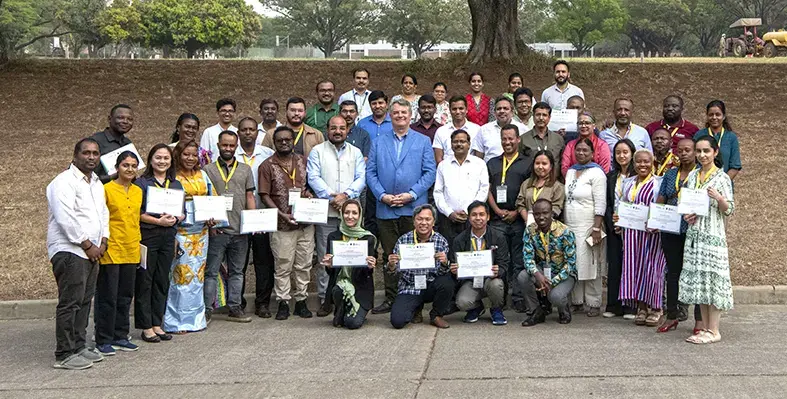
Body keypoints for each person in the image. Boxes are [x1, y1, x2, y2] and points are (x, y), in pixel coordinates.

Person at [366, 99, 437, 314]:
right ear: (390, 115)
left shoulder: (423, 141)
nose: (399, 116)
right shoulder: (378, 142)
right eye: (395, 113)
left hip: (413, 209)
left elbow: (429, 172)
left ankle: (415, 299)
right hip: (386, 208)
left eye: (403, 112)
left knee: (415, 255)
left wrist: (411, 194)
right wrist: (382, 195)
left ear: (410, 115)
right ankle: (391, 297)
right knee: (390, 255)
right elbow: (371, 172)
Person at [46, 138, 109, 370]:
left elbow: (103, 213)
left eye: (95, 153)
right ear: (75, 155)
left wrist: (103, 241)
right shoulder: (62, 182)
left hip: (92, 251)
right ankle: (64, 353)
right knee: (70, 303)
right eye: (86, 153)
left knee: (84, 301)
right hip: (70, 250)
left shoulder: (96, 183)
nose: (91, 157)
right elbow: (65, 217)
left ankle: (79, 346)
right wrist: (86, 244)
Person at [308, 115, 366, 316]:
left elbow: (361, 178)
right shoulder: (317, 152)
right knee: (327, 256)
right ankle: (326, 299)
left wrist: (346, 196)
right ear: (327, 129)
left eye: (342, 128)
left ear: (347, 130)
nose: (338, 131)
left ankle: (352, 294)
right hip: (327, 212)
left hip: (351, 214)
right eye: (334, 128)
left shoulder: (356, 152)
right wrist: (331, 196)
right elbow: (313, 177)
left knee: (353, 254)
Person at [680, 136, 735, 344]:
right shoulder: (693, 176)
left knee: (713, 279)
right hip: (695, 235)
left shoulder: (722, 179)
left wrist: (719, 198)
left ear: (715, 152)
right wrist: (688, 214)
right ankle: (703, 327)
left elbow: (729, 209)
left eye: (706, 151)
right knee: (700, 282)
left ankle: (714, 330)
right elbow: (689, 205)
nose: (702, 155)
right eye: (699, 151)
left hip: (713, 236)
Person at [259, 126, 316, 320]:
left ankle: (301, 300)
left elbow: (310, 186)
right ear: (274, 143)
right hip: (281, 225)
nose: (284, 142)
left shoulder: (303, 161)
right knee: (283, 265)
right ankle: (283, 302)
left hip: (305, 224)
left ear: (293, 141)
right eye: (280, 140)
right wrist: (281, 214)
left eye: (287, 139)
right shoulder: (267, 165)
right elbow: (264, 195)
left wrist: (309, 194)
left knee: (304, 264)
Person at [162, 140, 217, 332]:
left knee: (197, 277)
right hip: (180, 232)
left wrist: (213, 218)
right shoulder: (172, 177)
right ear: (178, 155)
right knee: (179, 277)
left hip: (201, 234)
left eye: (194, 155)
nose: (190, 158)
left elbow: (212, 198)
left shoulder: (203, 175)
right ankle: (176, 321)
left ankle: (195, 319)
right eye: (186, 154)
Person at [203, 131, 257, 324]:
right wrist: (208, 225)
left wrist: (252, 222)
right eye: (224, 145)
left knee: (237, 271)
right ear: (218, 145)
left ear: (237, 146)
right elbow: (205, 198)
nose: (228, 148)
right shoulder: (207, 170)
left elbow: (250, 196)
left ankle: (235, 307)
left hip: (239, 230)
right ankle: (207, 309)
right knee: (211, 271)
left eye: (231, 146)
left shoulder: (245, 170)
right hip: (217, 229)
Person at [94, 151, 142, 356]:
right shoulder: (106, 189)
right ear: (117, 168)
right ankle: (103, 338)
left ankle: (121, 336)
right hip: (112, 249)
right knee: (108, 296)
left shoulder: (138, 191)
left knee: (125, 295)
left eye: (133, 166)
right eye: (125, 165)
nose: (129, 169)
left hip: (131, 247)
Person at [135, 144, 184, 342]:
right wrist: (158, 221)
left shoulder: (176, 184)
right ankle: (146, 326)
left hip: (168, 237)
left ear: (171, 161)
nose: (162, 161)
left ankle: (157, 323)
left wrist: (178, 218)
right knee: (145, 280)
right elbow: (137, 213)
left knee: (162, 280)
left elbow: (183, 212)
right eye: (158, 157)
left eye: (166, 158)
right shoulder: (142, 183)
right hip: (149, 236)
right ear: (150, 160)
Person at [655, 138, 701, 333]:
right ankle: (671, 315)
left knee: (696, 273)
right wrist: (654, 219)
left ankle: (700, 321)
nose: (683, 153)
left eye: (688, 150)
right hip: (671, 229)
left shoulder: (702, 175)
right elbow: (661, 199)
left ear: (695, 152)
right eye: (680, 150)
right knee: (673, 273)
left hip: (694, 230)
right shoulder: (671, 174)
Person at [615, 150, 666, 326]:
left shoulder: (658, 182)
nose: (642, 165)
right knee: (635, 268)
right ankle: (641, 307)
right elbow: (622, 204)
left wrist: (656, 221)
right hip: (631, 234)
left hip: (652, 234)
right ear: (633, 164)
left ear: (652, 163)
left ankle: (656, 308)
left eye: (646, 162)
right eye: (638, 162)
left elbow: (663, 207)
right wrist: (618, 217)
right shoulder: (628, 182)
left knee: (653, 269)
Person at [487, 125, 533, 311]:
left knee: (519, 259)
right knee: (500, 259)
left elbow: (530, 189)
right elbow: (487, 189)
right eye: (504, 139)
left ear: (518, 139)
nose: (507, 142)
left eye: (510, 139)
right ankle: (501, 298)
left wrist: (516, 211)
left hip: (519, 218)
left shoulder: (528, 162)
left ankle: (519, 297)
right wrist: (497, 210)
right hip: (497, 219)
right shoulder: (492, 163)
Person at [388, 205, 454, 329]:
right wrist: (391, 265)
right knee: (397, 321)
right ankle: (415, 308)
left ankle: (436, 315)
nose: (423, 223)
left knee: (447, 283)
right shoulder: (403, 241)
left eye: (428, 219)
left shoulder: (441, 241)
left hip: (430, 285)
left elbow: (443, 272)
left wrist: (445, 263)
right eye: (419, 219)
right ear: (414, 221)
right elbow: (394, 272)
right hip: (410, 286)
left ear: (433, 222)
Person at [234, 117, 275, 316]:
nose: (248, 132)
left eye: (251, 129)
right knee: (238, 263)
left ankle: (263, 302)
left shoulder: (267, 154)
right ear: (238, 133)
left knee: (264, 262)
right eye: (244, 129)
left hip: (262, 216)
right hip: (238, 217)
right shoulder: (230, 154)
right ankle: (237, 302)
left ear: (257, 133)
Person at [563, 137, 607, 317]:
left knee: (591, 262)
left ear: (592, 153)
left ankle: (594, 302)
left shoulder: (597, 173)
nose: (581, 153)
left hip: (589, 223)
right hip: (570, 223)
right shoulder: (571, 172)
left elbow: (601, 202)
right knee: (574, 261)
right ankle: (577, 301)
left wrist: (596, 227)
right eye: (578, 150)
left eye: (585, 150)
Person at [519, 199, 577, 326]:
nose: (541, 217)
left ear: (552, 213)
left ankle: (563, 309)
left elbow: (570, 264)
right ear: (533, 215)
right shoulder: (530, 230)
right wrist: (537, 275)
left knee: (555, 296)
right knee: (523, 276)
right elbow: (527, 258)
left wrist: (552, 282)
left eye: (545, 213)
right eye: (537, 214)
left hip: (564, 274)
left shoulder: (566, 232)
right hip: (542, 271)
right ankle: (537, 311)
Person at [449, 201, 509, 325]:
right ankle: (476, 307)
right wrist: (455, 270)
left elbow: (504, 263)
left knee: (497, 284)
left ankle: (496, 309)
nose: (478, 218)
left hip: (490, 280)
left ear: (488, 217)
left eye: (482, 214)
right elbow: (454, 263)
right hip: (471, 281)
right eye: (474, 215)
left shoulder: (498, 237)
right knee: (462, 302)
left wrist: (500, 270)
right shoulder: (459, 239)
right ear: (469, 218)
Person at [321, 199, 377, 329]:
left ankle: (352, 310)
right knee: (338, 289)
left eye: (354, 213)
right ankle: (341, 309)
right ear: (341, 214)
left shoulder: (367, 238)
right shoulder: (333, 237)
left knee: (352, 324)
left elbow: (368, 273)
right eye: (346, 212)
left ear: (360, 215)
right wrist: (329, 265)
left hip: (361, 288)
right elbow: (331, 272)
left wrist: (369, 267)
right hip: (340, 285)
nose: (350, 216)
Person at [434, 130, 489, 245]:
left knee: (471, 250)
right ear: (451, 144)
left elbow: (484, 189)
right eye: (456, 141)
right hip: (448, 218)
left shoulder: (479, 164)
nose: (459, 144)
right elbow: (438, 192)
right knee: (450, 251)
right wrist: (449, 212)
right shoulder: (443, 165)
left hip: (472, 218)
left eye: (463, 141)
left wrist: (470, 211)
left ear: (469, 144)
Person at [602, 139, 636, 319]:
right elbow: (608, 203)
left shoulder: (639, 176)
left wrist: (627, 222)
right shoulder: (611, 176)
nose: (622, 156)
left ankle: (630, 305)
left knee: (630, 265)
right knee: (615, 264)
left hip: (633, 227)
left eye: (625, 152)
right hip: (614, 227)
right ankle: (613, 305)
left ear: (632, 153)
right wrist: (612, 223)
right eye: (618, 153)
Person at [693, 100, 741, 181]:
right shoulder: (699, 135)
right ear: (707, 116)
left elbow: (735, 166)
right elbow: (694, 161)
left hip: (723, 185)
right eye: (711, 115)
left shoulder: (731, 137)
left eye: (718, 114)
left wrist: (721, 182)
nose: (714, 117)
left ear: (724, 116)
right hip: (701, 183)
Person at [471, 97, 527, 162]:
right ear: (494, 112)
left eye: (505, 108)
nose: (502, 111)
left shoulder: (523, 129)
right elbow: (478, 158)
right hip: (491, 170)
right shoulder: (484, 130)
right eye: (499, 109)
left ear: (512, 112)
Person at [516, 150, 564, 226]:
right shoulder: (526, 183)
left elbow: (556, 208)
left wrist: (540, 222)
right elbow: (520, 204)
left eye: (544, 164)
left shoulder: (558, 186)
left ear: (551, 166)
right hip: (528, 225)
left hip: (549, 227)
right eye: (537, 163)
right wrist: (529, 222)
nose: (540, 167)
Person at [90, 104, 134, 183]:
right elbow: (82, 175)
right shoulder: (94, 142)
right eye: (120, 118)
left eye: (130, 119)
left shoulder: (128, 144)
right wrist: (112, 177)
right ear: (109, 119)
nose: (125, 121)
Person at [561, 111, 611, 176]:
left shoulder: (602, 145)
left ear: (594, 126)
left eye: (587, 123)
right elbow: (565, 168)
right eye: (580, 123)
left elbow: (605, 170)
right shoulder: (570, 145)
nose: (583, 126)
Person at [433, 96, 481, 164]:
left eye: (461, 108)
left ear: (466, 109)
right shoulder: (441, 131)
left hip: (470, 170)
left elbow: (478, 157)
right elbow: (439, 159)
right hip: (448, 169)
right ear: (449, 110)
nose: (458, 112)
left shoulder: (477, 130)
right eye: (454, 109)